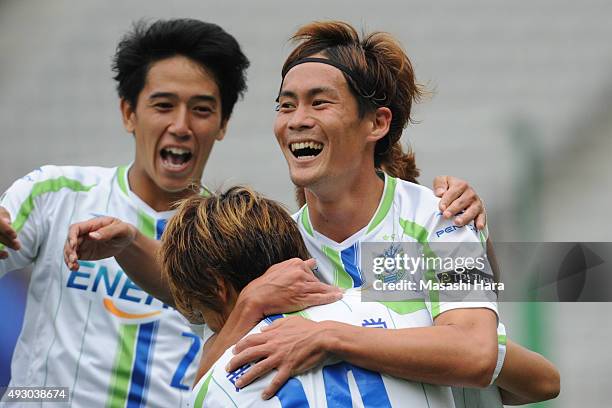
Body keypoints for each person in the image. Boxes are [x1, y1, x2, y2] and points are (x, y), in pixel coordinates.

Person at [61, 20, 559, 406]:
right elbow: (209, 381)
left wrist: (328, 335)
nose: (297, 120)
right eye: (285, 105)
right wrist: (252, 305)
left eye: (319, 103)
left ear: (376, 123)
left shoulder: (438, 217)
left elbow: (480, 357)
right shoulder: (284, 245)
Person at [0, 19, 250, 407]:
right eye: (163, 105)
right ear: (128, 113)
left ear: (223, 124)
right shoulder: (54, 193)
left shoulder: (234, 241)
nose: (181, 126)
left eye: (201, 109)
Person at [160, 187, 558, 407]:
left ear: (217, 288)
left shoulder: (226, 381)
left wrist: (332, 337)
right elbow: (543, 380)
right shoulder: (407, 310)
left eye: (203, 315)